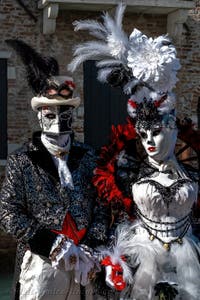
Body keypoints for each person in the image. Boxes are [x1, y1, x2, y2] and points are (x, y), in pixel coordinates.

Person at [68, 4, 200, 299]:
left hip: (189, 257)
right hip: (143, 257)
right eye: (143, 134)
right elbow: (111, 217)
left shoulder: (192, 166)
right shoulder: (125, 168)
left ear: (173, 129)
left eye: (156, 132)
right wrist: (112, 258)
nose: (149, 141)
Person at [0, 40, 108, 300]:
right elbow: (8, 211)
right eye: (50, 114)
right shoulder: (22, 161)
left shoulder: (90, 157)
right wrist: (50, 244)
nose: (58, 121)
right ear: (40, 115)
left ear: (74, 114)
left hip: (85, 262)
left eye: (65, 114)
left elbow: (103, 205)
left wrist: (93, 245)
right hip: (43, 263)